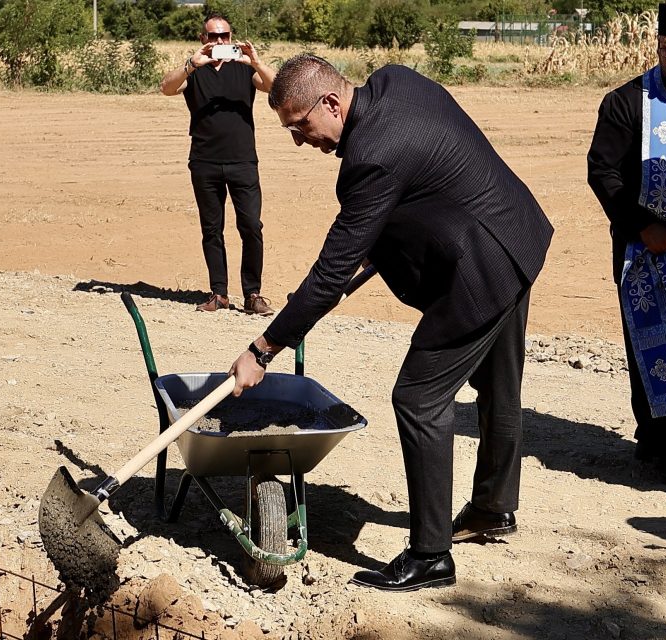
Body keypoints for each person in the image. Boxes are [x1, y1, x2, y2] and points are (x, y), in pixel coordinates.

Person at [228, 55, 554, 592]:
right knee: (500, 384)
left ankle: (431, 556)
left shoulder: (370, 159)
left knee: (418, 399)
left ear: (331, 103)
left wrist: (263, 348)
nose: (299, 140)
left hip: (481, 269)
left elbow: (333, 271)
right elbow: (434, 171)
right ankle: (494, 507)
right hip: (514, 231)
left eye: (299, 125)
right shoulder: (395, 81)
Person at [587, 2, 666, 485]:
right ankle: (661, 444)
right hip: (643, 248)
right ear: (659, 47)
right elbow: (602, 171)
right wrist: (644, 226)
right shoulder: (625, 102)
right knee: (654, 347)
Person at [159, 12, 275, 316]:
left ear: (231, 38)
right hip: (204, 161)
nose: (219, 41)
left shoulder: (244, 69)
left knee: (251, 226)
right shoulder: (194, 71)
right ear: (203, 39)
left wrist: (256, 61)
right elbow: (166, 88)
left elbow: (278, 88)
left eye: (224, 36)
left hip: (243, 161)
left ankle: (253, 294)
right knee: (212, 229)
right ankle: (219, 293)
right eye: (213, 36)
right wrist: (190, 64)